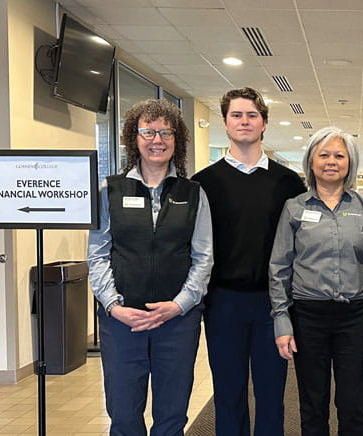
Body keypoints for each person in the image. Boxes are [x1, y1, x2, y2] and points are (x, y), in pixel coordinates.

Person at [87, 98, 213, 435]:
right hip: (122, 323)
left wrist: (179, 305)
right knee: (124, 414)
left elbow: (203, 257)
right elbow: (97, 255)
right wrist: (114, 306)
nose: (157, 140)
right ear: (133, 137)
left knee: (172, 415)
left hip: (177, 322)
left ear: (176, 140)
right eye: (148, 131)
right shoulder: (109, 191)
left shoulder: (194, 193)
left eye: (165, 133)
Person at [192, 87, 306, 436]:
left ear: (264, 123)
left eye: (252, 115)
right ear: (225, 123)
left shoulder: (288, 182)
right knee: (228, 392)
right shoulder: (203, 183)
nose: (244, 121)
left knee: (272, 393)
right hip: (223, 301)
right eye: (237, 115)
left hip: (274, 303)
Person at [269, 126, 363, 435]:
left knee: (352, 404)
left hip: (353, 316)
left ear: (350, 163)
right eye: (323, 155)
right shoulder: (294, 208)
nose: (331, 161)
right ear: (311, 161)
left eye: (339, 155)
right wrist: (282, 321)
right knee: (312, 403)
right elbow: (279, 267)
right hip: (308, 316)